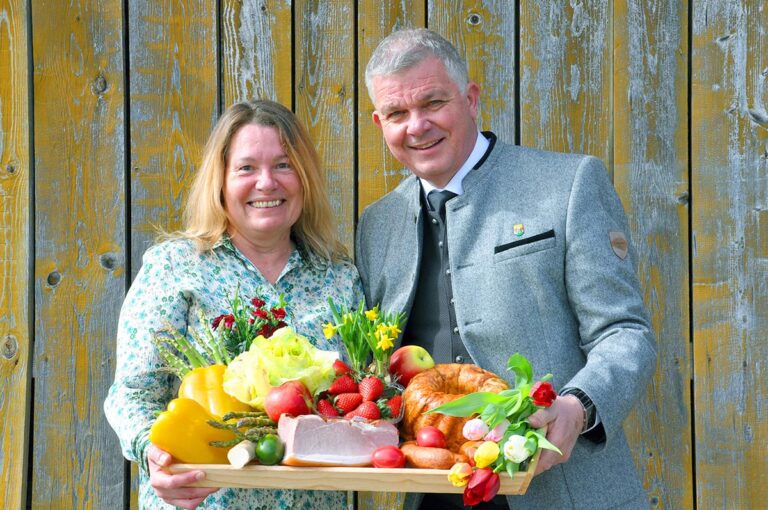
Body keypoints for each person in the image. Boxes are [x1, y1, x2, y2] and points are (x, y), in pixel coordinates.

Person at [356, 28, 657, 509]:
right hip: (432, 492)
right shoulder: (377, 224)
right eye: (397, 113)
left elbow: (625, 331)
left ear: (471, 99)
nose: (417, 126)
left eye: (433, 103)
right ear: (380, 123)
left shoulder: (568, 183)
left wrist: (577, 407)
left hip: (564, 489)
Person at [104, 99, 363, 509]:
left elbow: (361, 395)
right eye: (246, 168)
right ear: (220, 181)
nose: (267, 183)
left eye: (283, 165)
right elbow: (134, 393)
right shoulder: (176, 266)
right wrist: (154, 455)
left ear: (305, 178)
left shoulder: (338, 275)